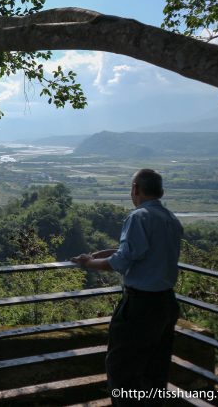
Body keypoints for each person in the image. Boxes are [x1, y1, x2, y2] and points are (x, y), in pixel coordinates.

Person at [72, 169, 182, 406]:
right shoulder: (171, 219)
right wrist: (111, 253)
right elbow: (149, 254)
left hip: (141, 305)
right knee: (155, 369)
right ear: (160, 191)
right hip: (166, 303)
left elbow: (121, 263)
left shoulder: (139, 217)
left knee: (122, 368)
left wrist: (89, 263)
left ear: (135, 189)